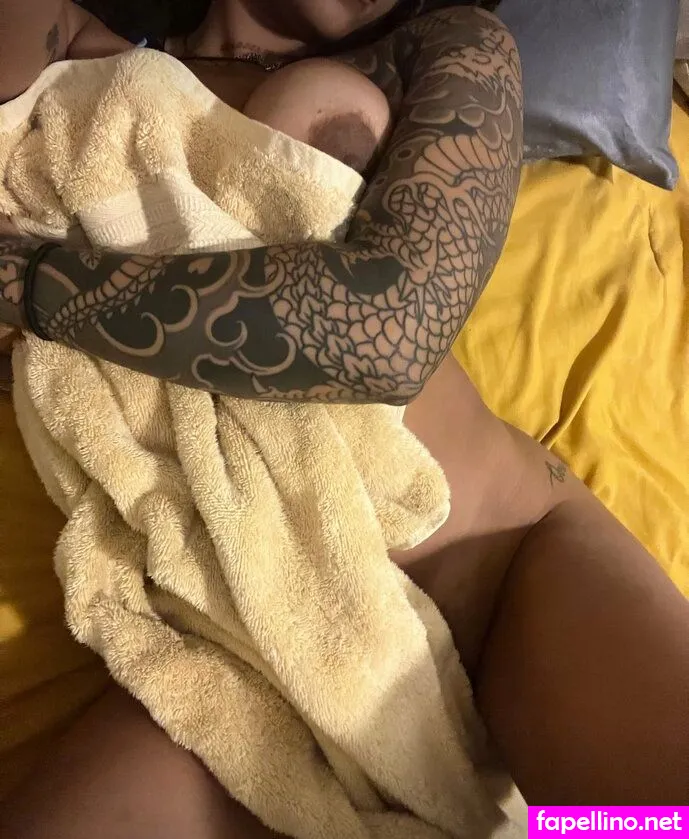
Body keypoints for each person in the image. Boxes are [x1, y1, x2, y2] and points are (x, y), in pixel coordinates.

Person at [0, 2, 687, 837]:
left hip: (501, 564)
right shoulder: (90, 46)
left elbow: (388, 331)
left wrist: (26, 281)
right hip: (239, 625)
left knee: (654, 821)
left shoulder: (447, 50)